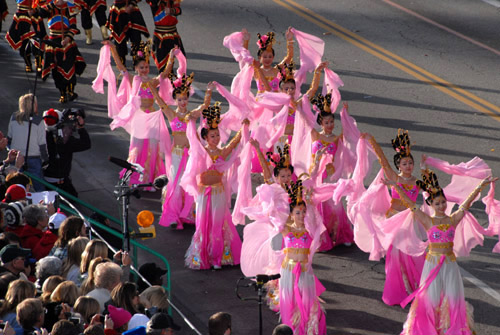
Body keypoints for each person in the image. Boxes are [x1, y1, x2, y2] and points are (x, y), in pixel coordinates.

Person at [382, 171, 496, 334]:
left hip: (450, 264)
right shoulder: (428, 221)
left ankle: (449, 328)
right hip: (432, 264)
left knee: (453, 295)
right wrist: (395, 186)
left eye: (443, 202)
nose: (441, 206)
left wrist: (480, 186)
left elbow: (466, 203)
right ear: (431, 205)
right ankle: (428, 328)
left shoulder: (452, 219)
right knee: (431, 297)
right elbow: (409, 204)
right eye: (437, 203)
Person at [360, 130, 426, 306]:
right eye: (404, 163)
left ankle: (416, 287)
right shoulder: (394, 177)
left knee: (413, 254)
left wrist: (426, 167)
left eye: (410, 163)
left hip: (410, 221)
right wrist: (372, 139)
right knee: (396, 256)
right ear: (398, 166)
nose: (408, 166)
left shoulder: (417, 182)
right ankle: (398, 290)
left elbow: (432, 190)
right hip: (395, 219)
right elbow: (382, 159)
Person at [181, 103, 249, 270]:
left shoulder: (221, 152)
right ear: (206, 137)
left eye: (217, 135)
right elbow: (193, 138)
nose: (216, 138)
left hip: (218, 191)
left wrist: (243, 128)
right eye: (213, 136)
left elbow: (234, 144)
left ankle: (218, 257)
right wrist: (191, 121)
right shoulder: (200, 151)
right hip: (204, 192)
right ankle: (203, 257)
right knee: (203, 224)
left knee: (218, 224)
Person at [101, 40, 169, 191]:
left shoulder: (153, 81)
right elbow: (120, 67)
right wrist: (112, 48)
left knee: (153, 147)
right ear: (136, 68)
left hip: (151, 117)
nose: (144, 69)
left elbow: (165, 73)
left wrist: (171, 57)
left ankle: (151, 179)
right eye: (141, 67)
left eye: (146, 67)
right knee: (137, 148)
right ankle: (136, 178)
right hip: (139, 118)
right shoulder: (133, 79)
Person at [155, 65, 215, 229]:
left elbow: (205, 105)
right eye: (179, 99)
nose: (182, 102)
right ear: (175, 100)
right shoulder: (171, 114)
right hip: (176, 154)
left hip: (190, 154)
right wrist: (155, 88)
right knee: (175, 182)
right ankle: (173, 215)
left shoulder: (193, 114)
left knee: (189, 182)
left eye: (185, 98)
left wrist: (208, 92)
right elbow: (159, 101)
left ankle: (188, 214)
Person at [36, 0, 86, 103]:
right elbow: (40, 14)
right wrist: (54, 4)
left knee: (70, 67)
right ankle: (62, 93)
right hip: (53, 41)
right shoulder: (50, 6)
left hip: (67, 42)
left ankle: (71, 91)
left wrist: (68, 38)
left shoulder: (70, 7)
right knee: (56, 70)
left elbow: (73, 27)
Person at [44, 111, 91, 197]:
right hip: (60, 181)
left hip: (44, 180)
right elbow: (86, 144)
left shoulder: (43, 134)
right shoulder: (66, 141)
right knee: (73, 198)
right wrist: (81, 128)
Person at [7, 93, 48, 192]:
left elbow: (9, 139)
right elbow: (42, 144)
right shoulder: (39, 121)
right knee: (39, 187)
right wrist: (46, 160)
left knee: (16, 185)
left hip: (16, 158)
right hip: (33, 159)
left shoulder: (14, 117)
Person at [105, 0, 149, 67]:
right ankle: (122, 65)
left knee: (136, 39)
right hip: (117, 10)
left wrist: (132, 4)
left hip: (132, 10)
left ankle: (137, 63)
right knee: (119, 40)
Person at [145, 0, 185, 71]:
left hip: (173, 34)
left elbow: (179, 10)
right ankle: (165, 81)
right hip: (160, 35)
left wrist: (171, 10)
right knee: (163, 66)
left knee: (181, 62)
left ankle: (172, 80)